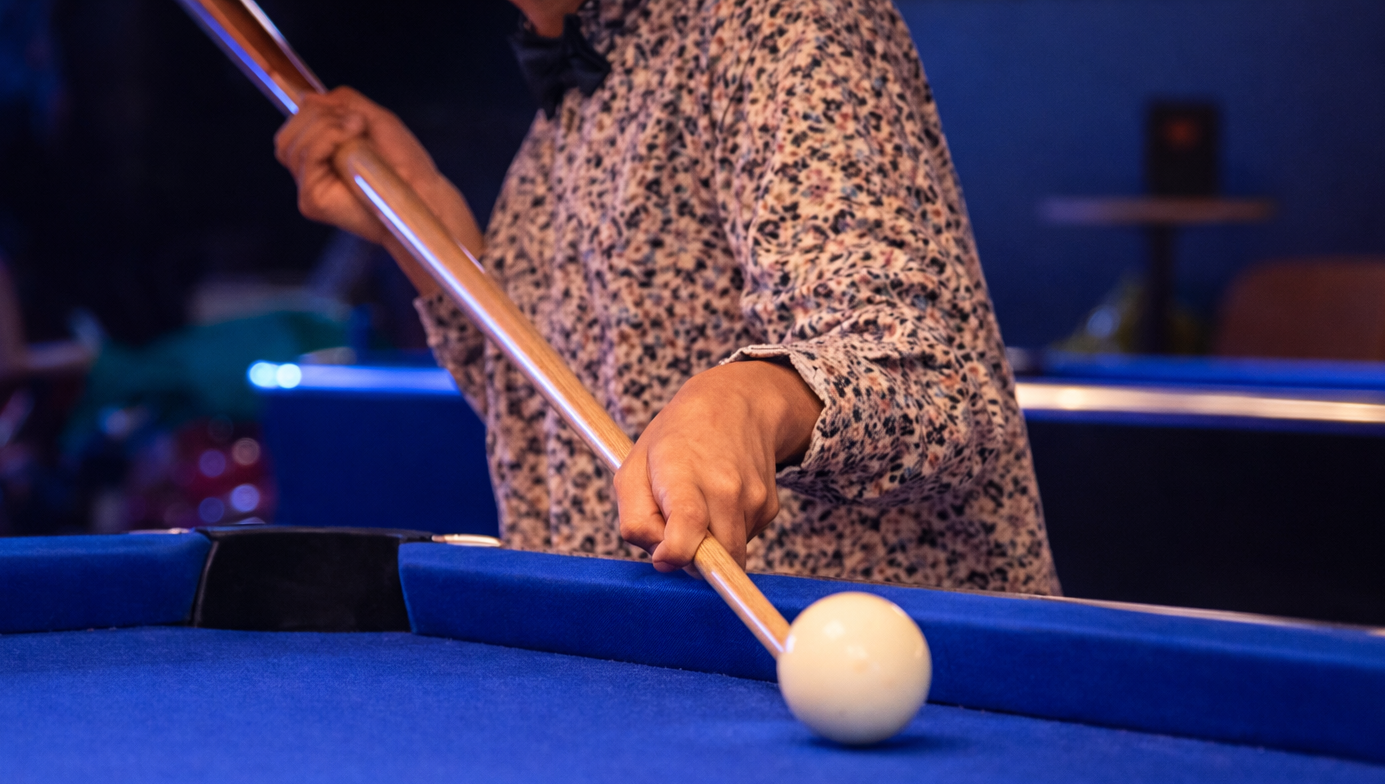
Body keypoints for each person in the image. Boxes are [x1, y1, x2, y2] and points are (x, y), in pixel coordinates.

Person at [276, 0, 1060, 593]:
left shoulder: (779, 21)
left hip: (891, 689)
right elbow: (562, 431)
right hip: (653, 695)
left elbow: (938, 388)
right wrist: (427, 228)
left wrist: (749, 396)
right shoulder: (572, 107)